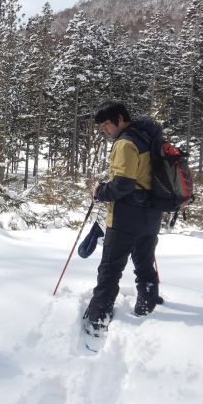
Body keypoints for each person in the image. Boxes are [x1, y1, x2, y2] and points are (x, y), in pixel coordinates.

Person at [84, 101, 164, 332]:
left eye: (107, 124)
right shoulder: (147, 138)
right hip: (151, 214)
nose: (105, 130)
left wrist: (100, 192)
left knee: (110, 267)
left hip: (126, 215)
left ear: (120, 119)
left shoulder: (125, 143)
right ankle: (147, 305)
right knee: (144, 263)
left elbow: (123, 184)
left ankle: (99, 315)